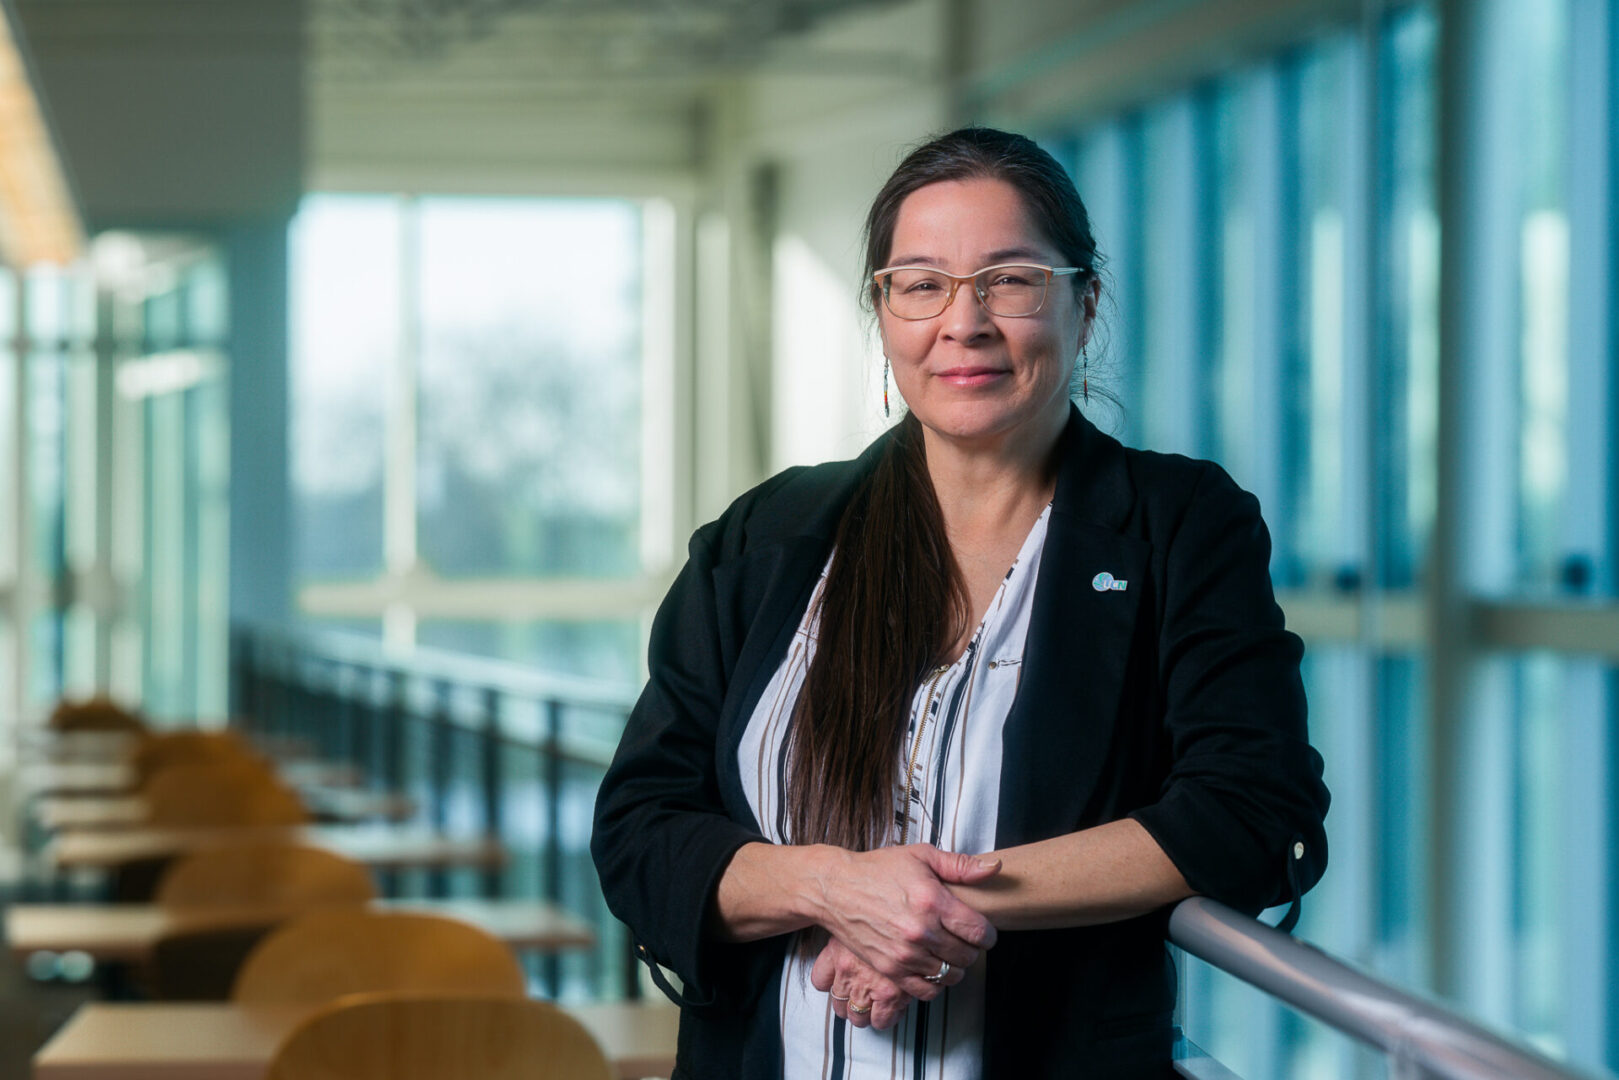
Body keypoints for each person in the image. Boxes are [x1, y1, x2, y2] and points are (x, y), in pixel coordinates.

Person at [592, 126, 1330, 1080]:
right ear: (884, 310)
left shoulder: (1178, 527)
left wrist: (937, 909)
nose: (964, 321)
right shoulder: (769, 536)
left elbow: (1248, 807)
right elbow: (641, 829)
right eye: (921, 283)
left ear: (1084, 301)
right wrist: (835, 889)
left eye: (1010, 279)